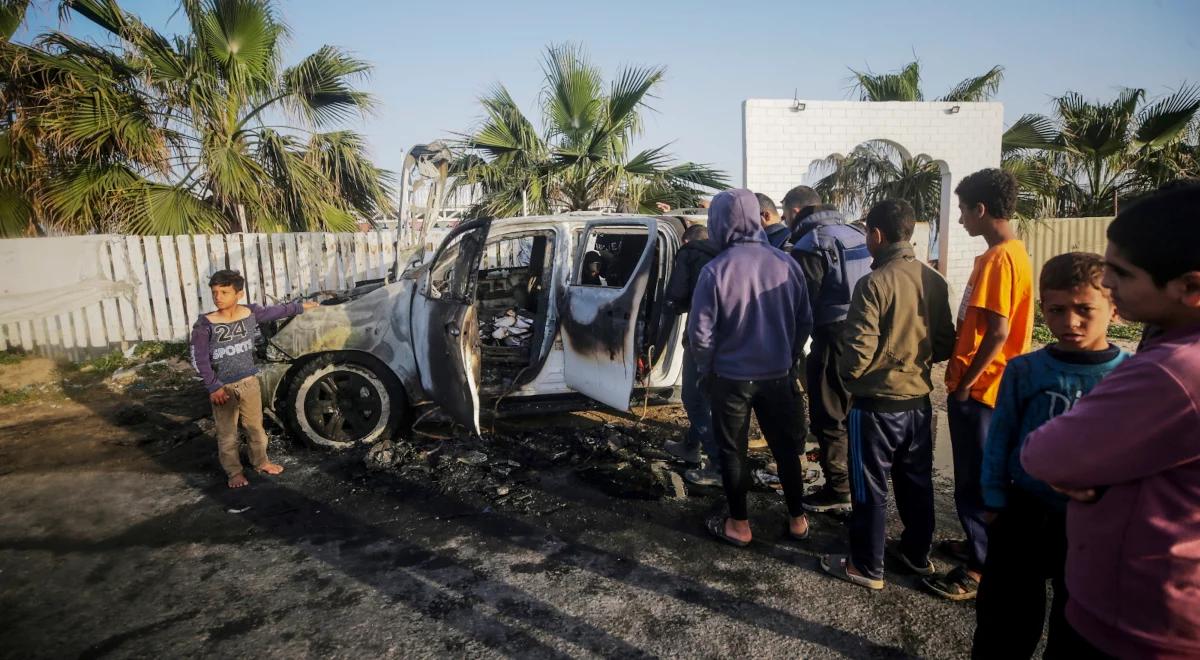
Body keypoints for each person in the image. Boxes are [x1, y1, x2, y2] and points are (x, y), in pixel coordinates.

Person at [1020, 185, 1200, 659]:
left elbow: (1046, 452)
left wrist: (1089, 468)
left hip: (1137, 619)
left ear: (1190, 287)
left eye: (1120, 273)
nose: (1109, 283)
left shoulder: (1172, 370)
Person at [973, 253, 1130, 658]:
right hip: (1023, 511)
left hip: (1093, 520)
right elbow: (1001, 435)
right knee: (1004, 618)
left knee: (1077, 624)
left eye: (1084, 310)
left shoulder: (1130, 374)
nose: (1070, 322)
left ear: (1114, 309)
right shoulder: (1025, 370)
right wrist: (992, 498)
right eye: (1057, 310)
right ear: (1043, 309)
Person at [819, 200, 955, 590]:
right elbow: (945, 344)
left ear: (876, 235)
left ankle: (866, 566)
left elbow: (857, 354)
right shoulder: (934, 280)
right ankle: (916, 554)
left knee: (870, 489)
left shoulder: (874, 283)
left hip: (877, 407)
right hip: (919, 404)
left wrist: (849, 378)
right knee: (916, 484)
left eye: (867, 234)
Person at [927, 167, 1034, 600]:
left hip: (984, 387)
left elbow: (997, 333)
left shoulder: (999, 259)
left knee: (976, 479)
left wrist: (966, 383)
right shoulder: (1011, 253)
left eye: (963, 211)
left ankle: (980, 566)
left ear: (981, 209)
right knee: (980, 474)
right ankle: (977, 546)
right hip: (993, 385)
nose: (960, 220)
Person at [689, 188, 813, 546]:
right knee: (786, 448)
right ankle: (797, 519)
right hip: (778, 374)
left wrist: (706, 368)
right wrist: (788, 356)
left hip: (730, 378)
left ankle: (740, 525)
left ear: (721, 222)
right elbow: (804, 320)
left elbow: (700, 335)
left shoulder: (715, 271)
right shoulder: (786, 263)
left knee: (733, 450)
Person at [787, 190, 872, 514]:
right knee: (857, 412)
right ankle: (860, 482)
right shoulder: (857, 234)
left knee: (828, 414)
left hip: (832, 339)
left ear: (796, 212)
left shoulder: (812, 244)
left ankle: (839, 488)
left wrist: (794, 351)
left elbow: (803, 306)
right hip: (866, 337)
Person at [190, 270, 316, 488]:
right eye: (215, 292)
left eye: (224, 292)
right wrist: (213, 386)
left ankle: (261, 462)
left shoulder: (250, 313)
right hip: (223, 389)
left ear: (239, 294)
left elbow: (277, 311)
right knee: (228, 434)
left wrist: (302, 307)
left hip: (249, 382)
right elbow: (198, 359)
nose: (218, 297)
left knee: (255, 428)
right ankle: (234, 473)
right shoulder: (205, 325)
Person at [662, 224, 722, 486]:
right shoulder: (727, 253)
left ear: (686, 240)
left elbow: (676, 297)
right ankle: (690, 445)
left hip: (701, 338)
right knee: (707, 398)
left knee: (693, 398)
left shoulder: (689, 254)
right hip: (730, 341)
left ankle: (718, 464)